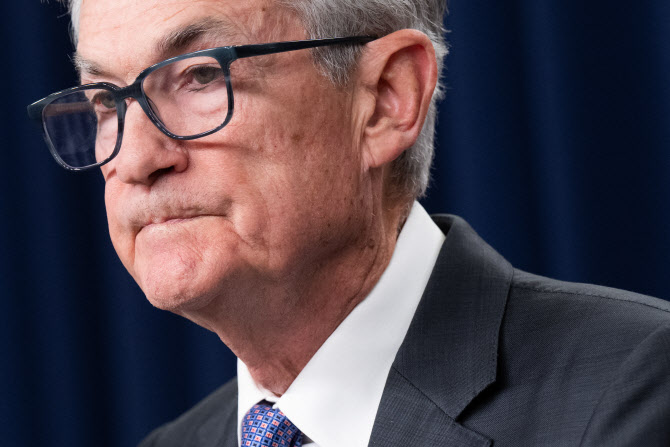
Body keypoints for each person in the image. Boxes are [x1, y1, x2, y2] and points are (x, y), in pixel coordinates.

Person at [27, 0, 669, 446]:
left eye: (199, 76)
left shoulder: (631, 393)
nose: (137, 159)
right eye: (105, 100)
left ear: (387, 98)